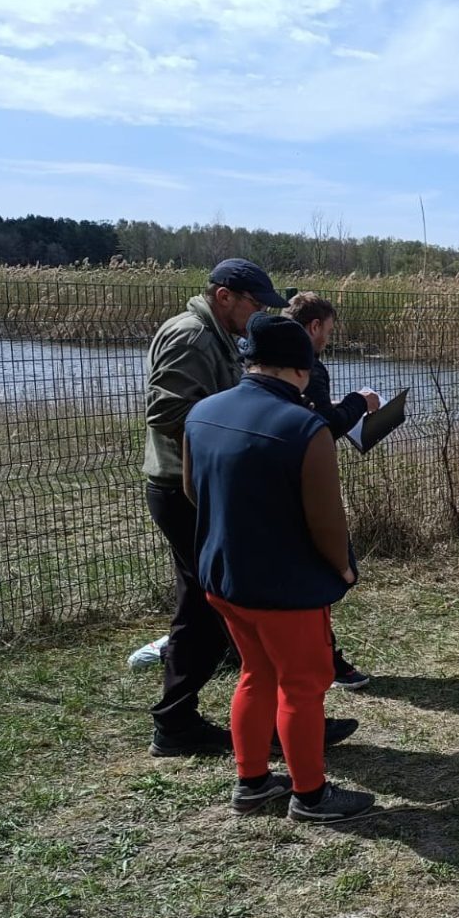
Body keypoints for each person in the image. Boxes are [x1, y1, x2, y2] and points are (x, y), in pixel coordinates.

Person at [184, 313, 374, 821]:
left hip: (224, 578)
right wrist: (343, 569)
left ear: (250, 360)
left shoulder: (202, 412)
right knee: (304, 686)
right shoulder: (304, 428)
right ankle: (310, 796)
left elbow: (189, 489)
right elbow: (327, 521)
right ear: (302, 369)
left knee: (254, 673)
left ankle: (251, 782)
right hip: (285, 588)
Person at [142, 258, 287, 756]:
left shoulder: (216, 334)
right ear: (224, 295)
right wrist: (232, 434)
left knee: (201, 603)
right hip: (184, 489)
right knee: (213, 604)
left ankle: (195, 719)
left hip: (197, 485)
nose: (258, 314)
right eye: (254, 304)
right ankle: (182, 722)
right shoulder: (193, 336)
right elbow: (166, 413)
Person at [284, 290, 380, 691]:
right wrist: (358, 402)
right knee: (323, 573)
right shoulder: (307, 365)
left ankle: (321, 656)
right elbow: (325, 427)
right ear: (315, 326)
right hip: (303, 482)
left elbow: (311, 413)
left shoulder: (258, 360)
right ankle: (324, 660)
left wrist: (332, 405)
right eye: (328, 331)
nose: (327, 340)